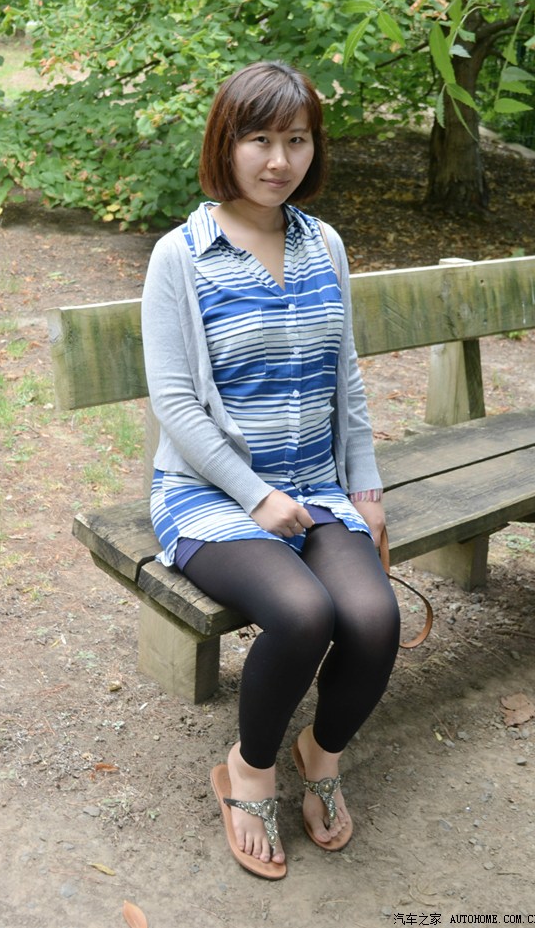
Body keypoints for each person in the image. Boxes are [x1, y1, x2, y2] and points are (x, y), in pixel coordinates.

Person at [141, 61, 400, 880]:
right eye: (259, 139)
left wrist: (365, 489)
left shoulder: (324, 244)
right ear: (227, 143)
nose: (279, 159)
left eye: (297, 139)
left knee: (374, 617)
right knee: (302, 613)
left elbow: (345, 376)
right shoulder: (182, 256)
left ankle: (320, 753)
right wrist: (255, 495)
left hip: (316, 485)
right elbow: (175, 403)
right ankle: (248, 770)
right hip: (211, 494)